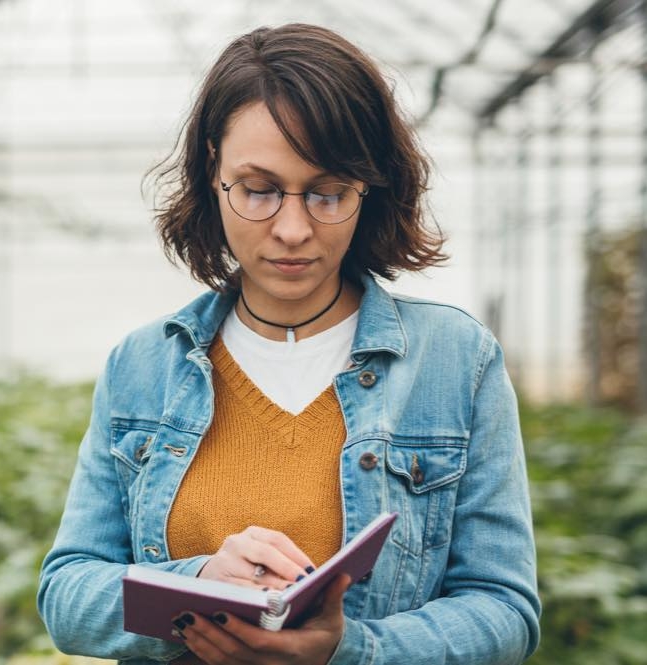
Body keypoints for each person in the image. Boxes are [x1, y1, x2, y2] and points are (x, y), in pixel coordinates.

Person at [38, 23, 540, 665]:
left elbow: (504, 609)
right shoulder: (143, 366)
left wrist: (350, 651)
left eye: (328, 191)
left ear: (370, 187)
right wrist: (195, 585)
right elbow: (67, 595)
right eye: (259, 189)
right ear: (211, 173)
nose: (295, 228)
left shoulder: (454, 361)